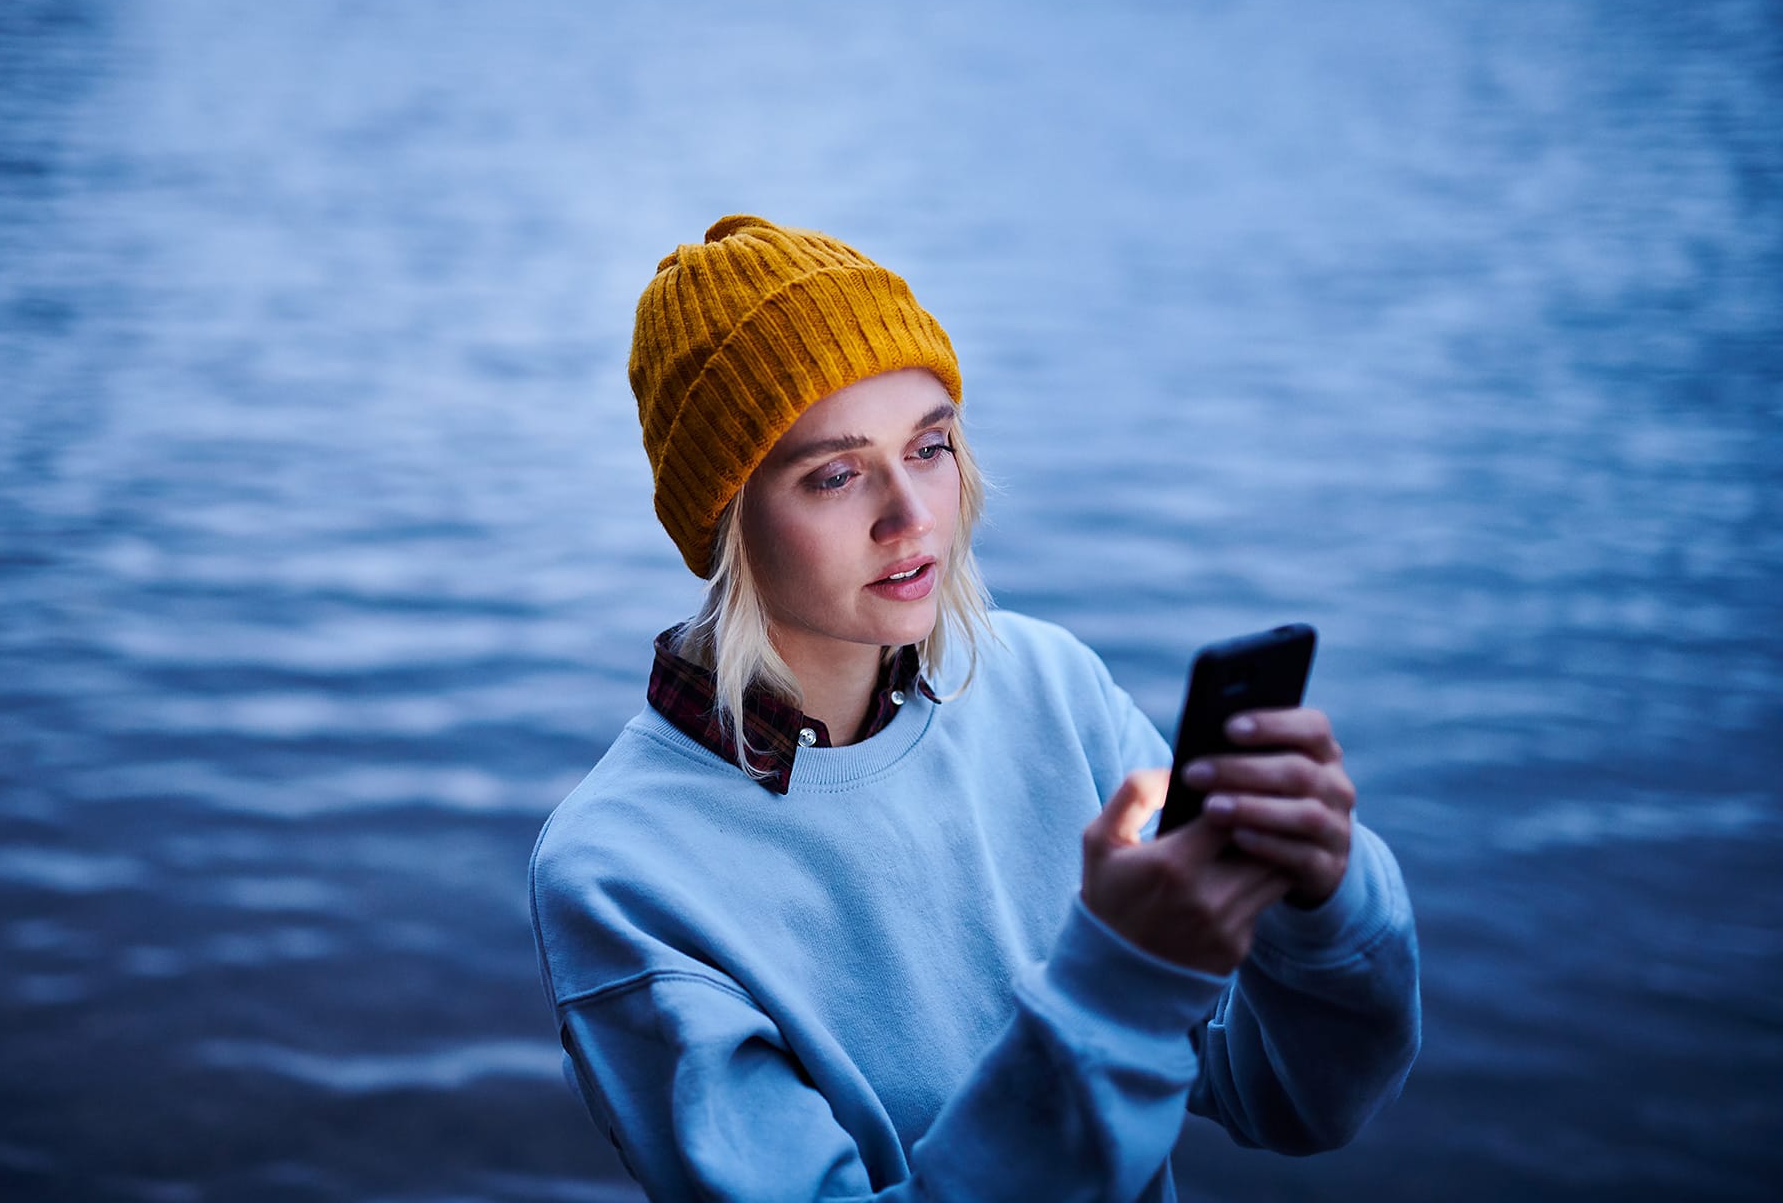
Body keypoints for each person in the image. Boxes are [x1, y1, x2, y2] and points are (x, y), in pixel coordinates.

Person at [529, 214, 1420, 1201]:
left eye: (931, 445)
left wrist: (1321, 900)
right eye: (835, 473)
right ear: (727, 518)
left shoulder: (1044, 681)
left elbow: (1293, 1099)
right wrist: (1120, 983)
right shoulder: (620, 868)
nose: (911, 514)